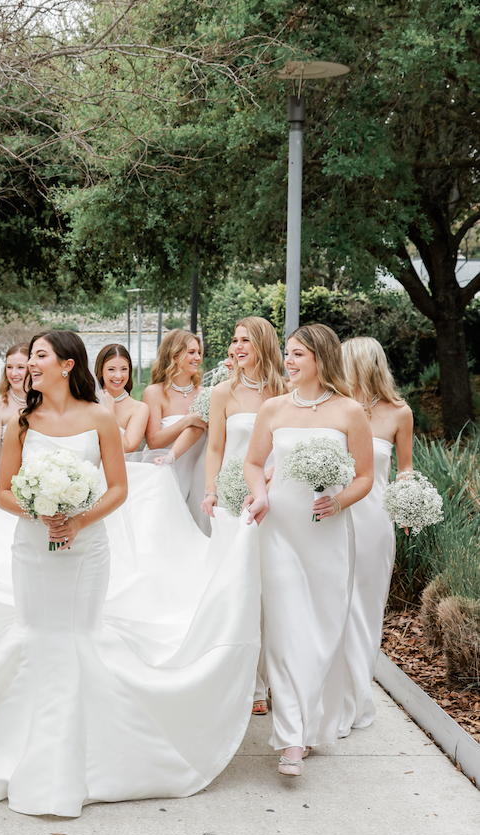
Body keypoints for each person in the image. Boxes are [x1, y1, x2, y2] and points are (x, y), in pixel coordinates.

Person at [0, 331, 262, 817]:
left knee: (80, 634)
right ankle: (18, 744)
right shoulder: (21, 421)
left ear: (66, 364)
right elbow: (2, 493)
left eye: (39, 356)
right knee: (36, 633)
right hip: (32, 546)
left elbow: (119, 488)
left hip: (88, 548)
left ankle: (100, 751)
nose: (30, 364)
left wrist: (78, 519)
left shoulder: (99, 417)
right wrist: (40, 514)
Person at [245, 324, 374, 777]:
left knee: (321, 632)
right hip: (278, 527)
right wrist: (259, 494)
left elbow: (364, 478)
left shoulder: (349, 411)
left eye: (298, 354)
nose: (289, 360)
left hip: (327, 534)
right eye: (288, 353)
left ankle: (310, 723)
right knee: (284, 629)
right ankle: (291, 738)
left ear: (321, 357)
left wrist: (338, 501)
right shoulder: (274, 408)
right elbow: (254, 462)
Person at [199, 318, 288, 717]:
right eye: (233, 340)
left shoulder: (286, 391)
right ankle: (248, 683)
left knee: (275, 590)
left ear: (263, 345)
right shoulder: (223, 392)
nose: (236, 347)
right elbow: (215, 448)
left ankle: (273, 678)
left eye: (244, 341)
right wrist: (211, 490)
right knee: (239, 590)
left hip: (278, 500)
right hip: (233, 502)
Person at [340, 337, 413, 736]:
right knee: (334, 603)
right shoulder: (335, 409)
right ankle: (330, 697)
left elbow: (405, 469)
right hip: (334, 514)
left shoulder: (400, 413)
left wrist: (408, 504)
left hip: (375, 521)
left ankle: (357, 698)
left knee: (365, 609)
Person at [141, 330, 208, 499]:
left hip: (196, 477)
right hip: (163, 475)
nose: (198, 358)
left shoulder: (205, 394)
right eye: (191, 352)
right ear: (175, 356)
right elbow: (154, 441)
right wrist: (187, 420)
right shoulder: (154, 393)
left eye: (199, 352)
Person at [94, 344, 149, 458]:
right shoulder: (87, 402)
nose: (118, 376)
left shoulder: (139, 408)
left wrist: (110, 412)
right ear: (101, 371)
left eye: (124, 369)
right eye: (111, 369)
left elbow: (127, 448)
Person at [0, 344, 29, 480]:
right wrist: (3, 484)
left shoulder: (47, 402)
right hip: (6, 479)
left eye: (21, 367)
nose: (13, 373)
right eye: (9, 367)